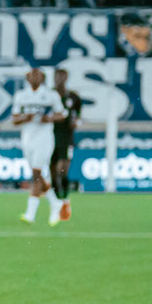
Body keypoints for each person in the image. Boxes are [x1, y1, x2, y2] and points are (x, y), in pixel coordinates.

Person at [9, 67, 64, 225]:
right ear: (27, 78)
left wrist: (49, 118)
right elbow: (14, 119)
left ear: (43, 78)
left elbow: (61, 114)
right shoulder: (21, 96)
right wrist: (26, 118)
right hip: (27, 138)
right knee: (39, 175)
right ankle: (55, 203)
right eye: (32, 75)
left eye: (38, 75)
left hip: (44, 138)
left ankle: (30, 213)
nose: (35, 78)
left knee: (36, 173)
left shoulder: (50, 95)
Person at [49, 67, 85, 221]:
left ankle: (65, 200)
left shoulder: (73, 97)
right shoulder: (48, 96)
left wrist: (76, 122)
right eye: (57, 77)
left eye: (62, 77)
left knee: (62, 170)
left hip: (66, 138)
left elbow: (78, 116)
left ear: (66, 78)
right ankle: (58, 202)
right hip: (48, 138)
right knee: (52, 173)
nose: (60, 80)